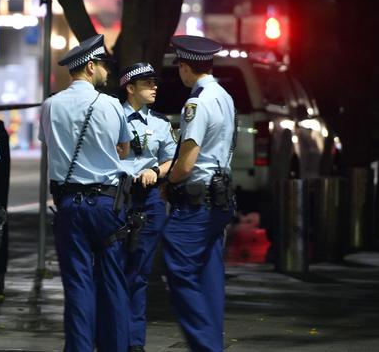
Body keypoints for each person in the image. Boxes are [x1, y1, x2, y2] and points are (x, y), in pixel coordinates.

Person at [39, 34, 132, 352]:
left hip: (68, 206)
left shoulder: (50, 105)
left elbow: (50, 144)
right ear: (90, 66)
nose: (107, 71)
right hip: (107, 204)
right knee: (113, 284)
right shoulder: (111, 105)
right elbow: (124, 148)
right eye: (104, 64)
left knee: (77, 285)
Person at [163, 35, 236, 352]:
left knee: (178, 267)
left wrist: (166, 183)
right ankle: (213, 341)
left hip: (196, 203)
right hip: (221, 199)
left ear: (184, 66)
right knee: (209, 273)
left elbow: (186, 163)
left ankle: (205, 346)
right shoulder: (224, 96)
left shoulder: (197, 102)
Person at [118, 62, 177, 352]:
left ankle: (134, 342)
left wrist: (156, 169)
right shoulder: (112, 117)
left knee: (139, 274)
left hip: (149, 199)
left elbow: (171, 159)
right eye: (147, 84)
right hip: (117, 197)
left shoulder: (160, 123)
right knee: (112, 270)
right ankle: (110, 335)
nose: (154, 88)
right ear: (130, 88)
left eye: (155, 83)